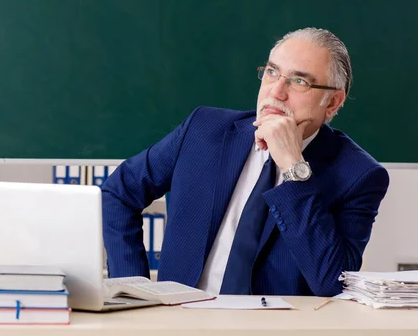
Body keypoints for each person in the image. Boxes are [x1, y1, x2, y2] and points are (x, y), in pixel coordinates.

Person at [101, 27, 390, 297]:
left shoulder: (359, 175)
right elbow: (119, 192)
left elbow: (331, 283)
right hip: (183, 320)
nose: (276, 92)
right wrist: (133, 289)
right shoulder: (204, 130)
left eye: (299, 81)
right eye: (272, 72)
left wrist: (292, 165)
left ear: (333, 103)